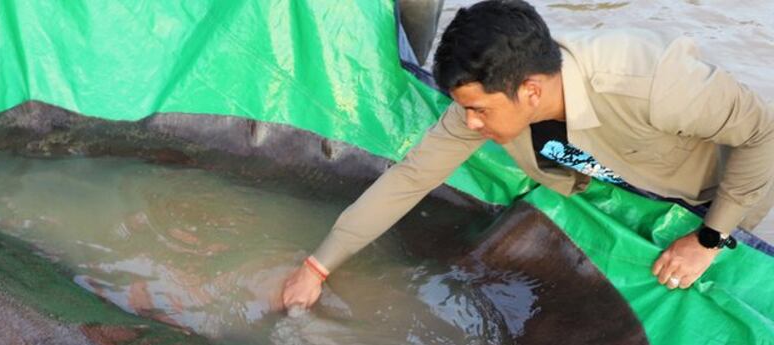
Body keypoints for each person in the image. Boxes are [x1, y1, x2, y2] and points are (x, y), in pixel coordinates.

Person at [281, 0, 774, 309]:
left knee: (709, 290)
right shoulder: (490, 96)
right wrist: (318, 265)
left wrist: (710, 238)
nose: (469, 124)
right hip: (624, 178)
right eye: (463, 109)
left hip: (719, 190)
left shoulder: (652, 83)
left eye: (478, 110)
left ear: (531, 92)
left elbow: (764, 135)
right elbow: (411, 178)